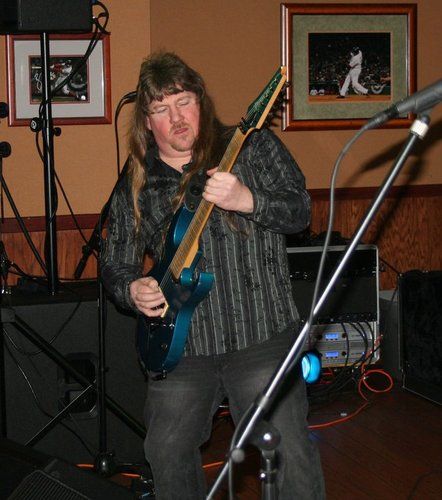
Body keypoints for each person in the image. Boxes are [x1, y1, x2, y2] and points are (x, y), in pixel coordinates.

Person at [101, 51, 325, 500]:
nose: (176, 118)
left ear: (200, 102)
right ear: (146, 121)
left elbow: (300, 211)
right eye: (161, 109)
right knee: (165, 448)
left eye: (183, 102)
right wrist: (131, 288)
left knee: (287, 449)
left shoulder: (252, 148)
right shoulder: (136, 182)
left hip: (261, 332)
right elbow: (115, 261)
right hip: (182, 346)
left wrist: (248, 200)